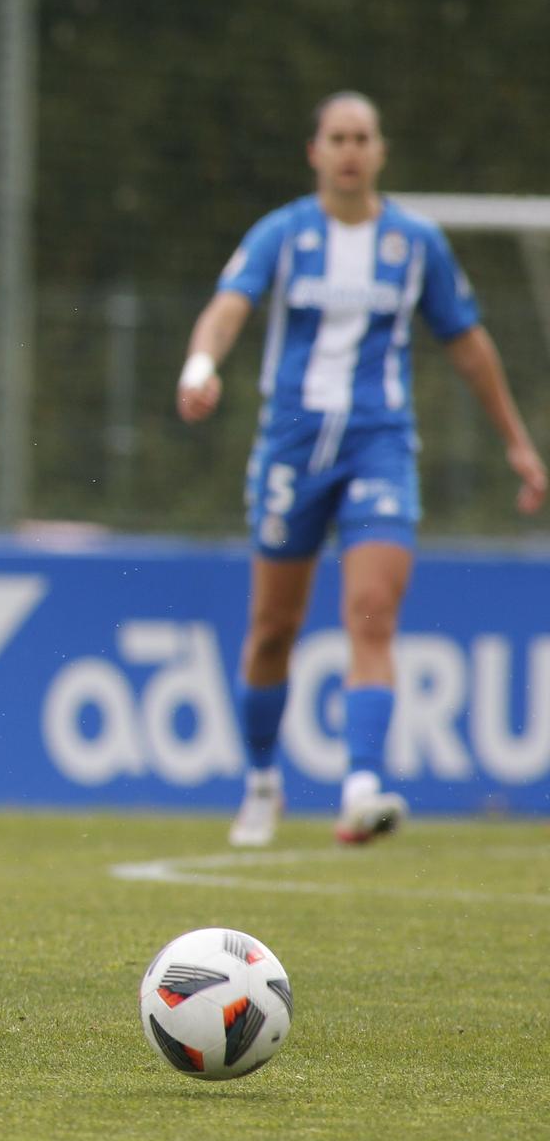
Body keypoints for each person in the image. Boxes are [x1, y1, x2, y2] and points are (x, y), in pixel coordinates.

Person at [177, 91, 545, 849]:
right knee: (272, 630)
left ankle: (361, 787)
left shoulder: (415, 244)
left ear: (380, 152)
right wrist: (201, 365)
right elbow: (228, 306)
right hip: (290, 449)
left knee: (372, 613)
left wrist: (516, 439)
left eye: (363, 138)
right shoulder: (282, 234)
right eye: (337, 137)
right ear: (315, 151)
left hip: (380, 445)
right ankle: (260, 782)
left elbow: (467, 344)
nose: (350, 150)